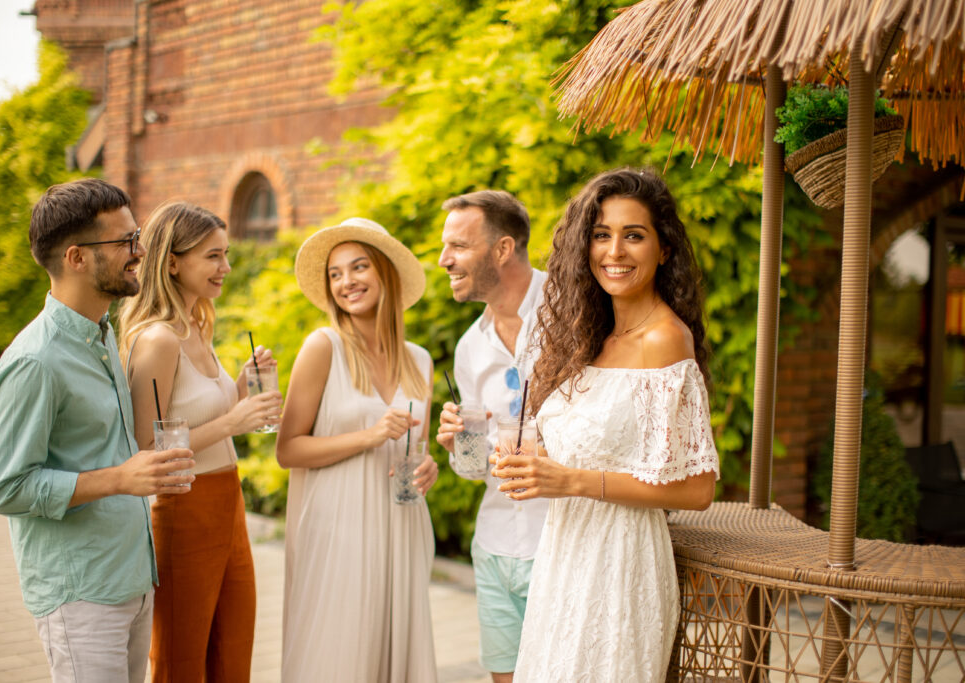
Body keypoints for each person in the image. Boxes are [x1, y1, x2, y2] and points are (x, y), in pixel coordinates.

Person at [492, 168, 720, 681]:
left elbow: (696, 488)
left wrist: (570, 481)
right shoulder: (589, 337)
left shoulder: (665, 341)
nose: (614, 251)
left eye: (633, 235)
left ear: (663, 250)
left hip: (621, 569)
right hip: (564, 558)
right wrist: (535, 465)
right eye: (601, 235)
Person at [0, 178, 195, 682]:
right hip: (79, 592)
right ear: (77, 258)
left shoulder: (103, 333)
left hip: (131, 577)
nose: (140, 251)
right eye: (124, 241)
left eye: (136, 235)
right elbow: (7, 487)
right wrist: (122, 479)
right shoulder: (35, 361)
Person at [117, 201, 282, 681]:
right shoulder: (158, 339)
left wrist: (241, 388)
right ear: (172, 261)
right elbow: (147, 450)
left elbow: (195, 417)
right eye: (213, 256)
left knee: (232, 650)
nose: (226, 267)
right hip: (183, 510)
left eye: (226, 254)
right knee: (181, 659)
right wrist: (236, 420)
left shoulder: (197, 326)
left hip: (228, 504)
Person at [277, 217, 439, 682]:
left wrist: (428, 468)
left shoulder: (420, 361)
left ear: (385, 272)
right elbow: (288, 450)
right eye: (335, 273)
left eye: (359, 267)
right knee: (338, 657)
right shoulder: (322, 347)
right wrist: (369, 435)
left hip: (401, 526)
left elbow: (415, 450)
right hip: (338, 531)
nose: (347, 282)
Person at [434, 190, 549, 683]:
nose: (444, 260)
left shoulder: (577, 315)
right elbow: (475, 466)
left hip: (561, 544)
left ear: (502, 249)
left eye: (458, 246)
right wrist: (459, 443)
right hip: (496, 545)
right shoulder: (468, 348)